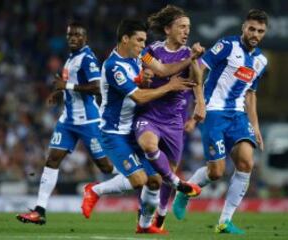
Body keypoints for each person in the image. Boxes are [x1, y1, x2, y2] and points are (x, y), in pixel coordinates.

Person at [80, 19, 199, 234]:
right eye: (139, 40)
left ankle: (144, 227)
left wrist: (191, 58)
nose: (143, 45)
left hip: (132, 127)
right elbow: (140, 97)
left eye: (145, 40)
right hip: (114, 133)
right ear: (125, 39)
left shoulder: (141, 56)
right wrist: (169, 87)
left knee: (154, 181)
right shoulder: (113, 66)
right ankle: (94, 190)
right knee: (140, 180)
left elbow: (162, 69)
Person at [172, 9, 269, 234]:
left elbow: (250, 94)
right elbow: (200, 69)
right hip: (214, 111)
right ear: (244, 27)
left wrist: (255, 126)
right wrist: (199, 103)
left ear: (264, 33)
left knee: (246, 163)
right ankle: (184, 191)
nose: (255, 33)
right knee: (216, 172)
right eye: (252, 28)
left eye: (260, 31)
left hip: (237, 114)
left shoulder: (261, 60)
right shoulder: (227, 45)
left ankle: (225, 221)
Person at [16, 21, 114, 225]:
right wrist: (59, 93)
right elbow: (71, 88)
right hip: (67, 121)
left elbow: (97, 87)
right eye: (70, 35)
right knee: (52, 160)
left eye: (77, 35)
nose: (73, 38)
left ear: (85, 38)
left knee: (105, 167)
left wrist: (66, 85)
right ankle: (39, 210)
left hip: (88, 120)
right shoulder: (71, 59)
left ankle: (139, 177)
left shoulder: (87, 58)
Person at [134, 5, 206, 230]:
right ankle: (175, 187)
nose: (186, 31)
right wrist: (144, 78)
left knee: (165, 174)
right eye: (181, 27)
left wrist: (200, 104)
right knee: (148, 144)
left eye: (189, 27)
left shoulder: (190, 54)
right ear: (167, 29)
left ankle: (160, 216)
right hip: (150, 114)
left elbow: (196, 81)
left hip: (175, 121)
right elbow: (159, 71)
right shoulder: (149, 50)